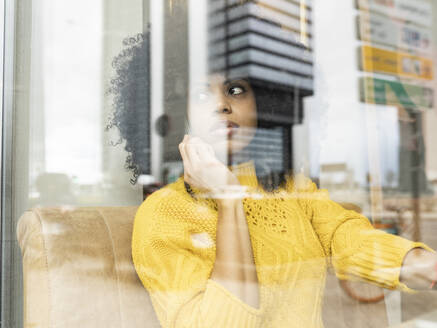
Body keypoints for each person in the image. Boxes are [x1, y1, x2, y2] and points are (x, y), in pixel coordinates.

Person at [110, 34, 437, 328]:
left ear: (264, 103)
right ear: (175, 110)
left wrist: (418, 262)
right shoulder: (164, 214)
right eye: (200, 94)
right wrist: (227, 197)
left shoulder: (293, 190)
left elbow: (344, 236)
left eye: (235, 90)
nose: (222, 105)